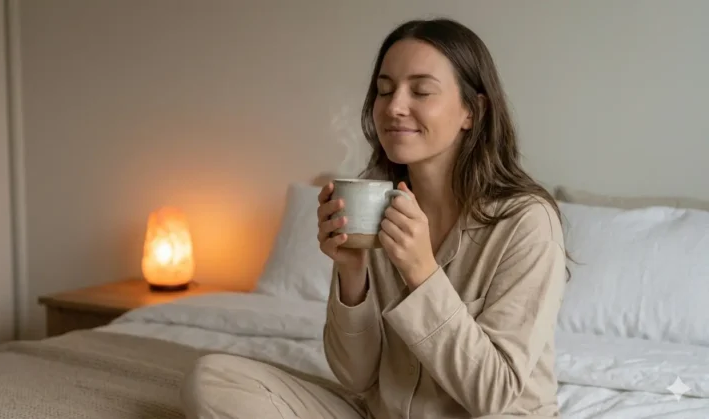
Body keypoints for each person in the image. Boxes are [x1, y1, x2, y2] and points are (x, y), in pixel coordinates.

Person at [181, 17, 567, 419]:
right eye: (385, 90)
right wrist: (352, 274)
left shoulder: (526, 223)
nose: (395, 107)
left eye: (421, 91)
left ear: (472, 110)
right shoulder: (374, 206)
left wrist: (422, 273)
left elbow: (494, 393)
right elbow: (356, 379)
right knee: (212, 380)